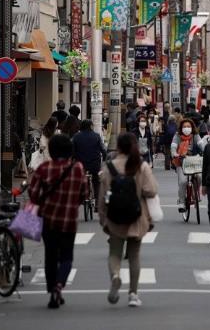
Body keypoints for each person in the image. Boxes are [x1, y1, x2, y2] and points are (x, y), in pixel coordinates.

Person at [99, 132, 158, 308]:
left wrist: (103, 219)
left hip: (115, 216)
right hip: (136, 215)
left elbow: (102, 197)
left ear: (118, 147)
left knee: (115, 253)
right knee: (134, 255)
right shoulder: (141, 166)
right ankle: (133, 294)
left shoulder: (109, 167)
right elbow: (152, 191)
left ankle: (116, 276)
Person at [28, 134, 87, 309]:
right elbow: (84, 193)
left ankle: (52, 288)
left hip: (48, 220)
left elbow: (33, 194)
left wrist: (44, 202)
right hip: (69, 220)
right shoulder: (77, 168)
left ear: (51, 151)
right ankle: (59, 285)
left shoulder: (43, 168)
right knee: (67, 256)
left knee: (51, 255)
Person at [170, 119, 205, 213]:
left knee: (199, 177)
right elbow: (173, 146)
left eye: (188, 126)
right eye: (184, 127)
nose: (186, 128)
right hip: (181, 161)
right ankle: (181, 202)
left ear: (192, 127)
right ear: (181, 128)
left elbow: (201, 144)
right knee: (183, 181)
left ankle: (195, 192)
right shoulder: (177, 136)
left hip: (194, 161)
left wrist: (206, 151)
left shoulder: (195, 135)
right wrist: (174, 154)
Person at [72, 119, 107, 212]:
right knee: (96, 182)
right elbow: (103, 150)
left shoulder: (76, 136)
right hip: (94, 164)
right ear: (91, 126)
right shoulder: (96, 136)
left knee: (80, 181)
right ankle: (97, 205)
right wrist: (104, 158)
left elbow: (72, 151)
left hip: (80, 165)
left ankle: (82, 198)